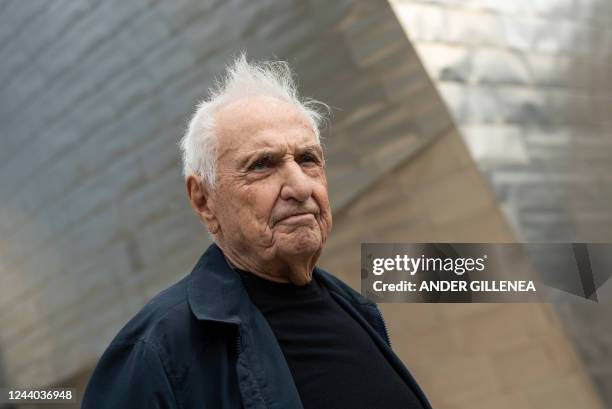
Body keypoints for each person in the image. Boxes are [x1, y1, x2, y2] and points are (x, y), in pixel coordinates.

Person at [81, 54, 431, 409]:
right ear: (203, 201)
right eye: (262, 165)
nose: (300, 187)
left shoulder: (356, 307)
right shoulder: (155, 352)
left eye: (308, 159)